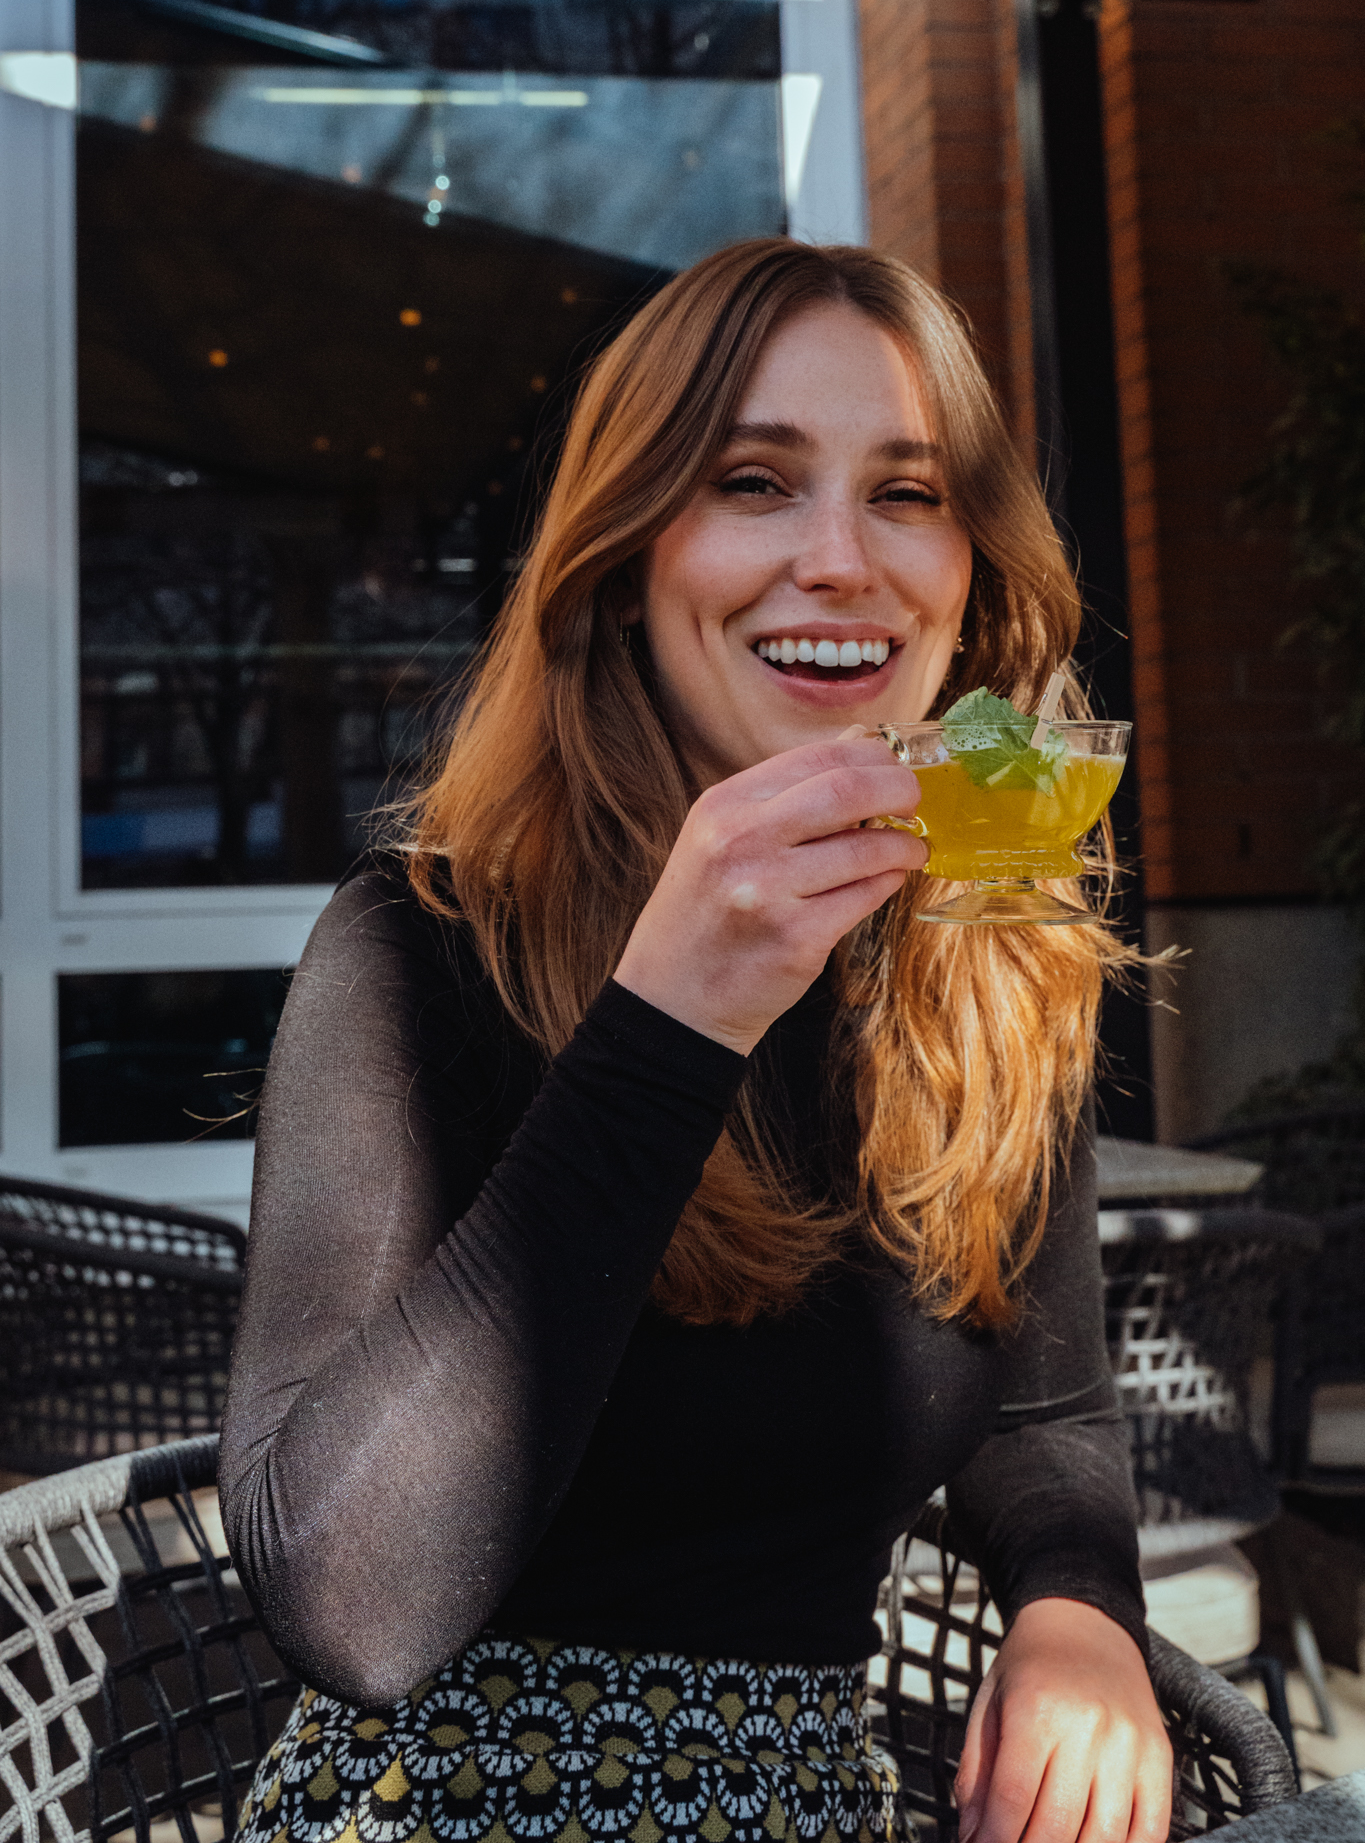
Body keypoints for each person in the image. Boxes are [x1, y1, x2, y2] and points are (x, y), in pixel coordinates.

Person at [222, 239, 1171, 1843]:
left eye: (907, 493)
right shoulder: (421, 946)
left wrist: (1078, 1610)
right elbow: (348, 1607)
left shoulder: (987, 960)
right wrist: (675, 1020)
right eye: (754, 481)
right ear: (626, 556)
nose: (840, 560)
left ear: (971, 573)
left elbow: (1046, 1413)